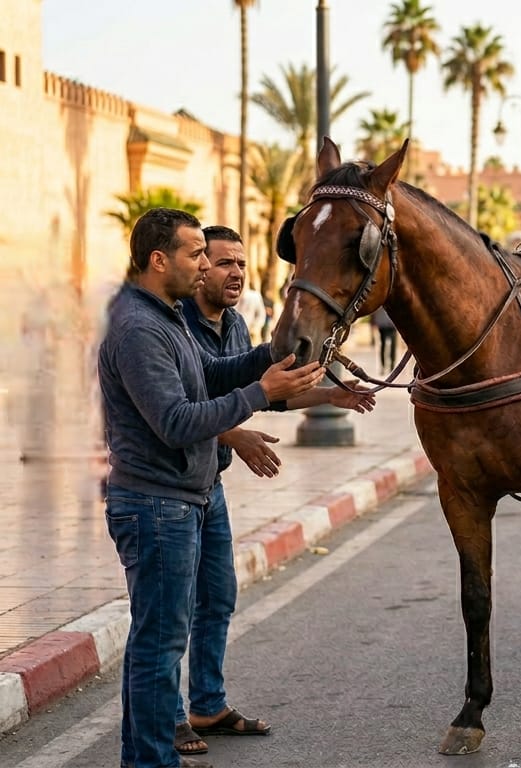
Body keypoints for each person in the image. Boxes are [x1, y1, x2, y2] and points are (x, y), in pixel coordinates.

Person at [99, 208, 325, 768]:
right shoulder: (137, 328)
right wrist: (260, 393)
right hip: (156, 506)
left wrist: (274, 357)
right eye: (196, 253)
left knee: (160, 641)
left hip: (180, 500)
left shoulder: (165, 316)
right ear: (158, 259)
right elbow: (176, 419)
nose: (204, 265)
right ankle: (151, 759)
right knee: (158, 647)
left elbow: (209, 375)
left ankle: (145, 757)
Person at [171, 226, 376, 758]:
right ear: (197, 271)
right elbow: (172, 409)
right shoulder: (176, 326)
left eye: (241, 263)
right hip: (168, 487)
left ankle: (208, 704)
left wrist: (334, 394)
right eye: (222, 263)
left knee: (217, 598)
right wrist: (232, 433)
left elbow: (264, 395)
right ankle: (168, 718)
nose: (235, 273)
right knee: (171, 612)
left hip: (207, 485)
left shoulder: (234, 325)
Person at [373, 305, 398, 374]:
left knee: (392, 346)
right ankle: (383, 366)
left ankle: (392, 366)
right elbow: (374, 312)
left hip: (391, 326)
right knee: (383, 346)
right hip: (383, 326)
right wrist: (374, 323)